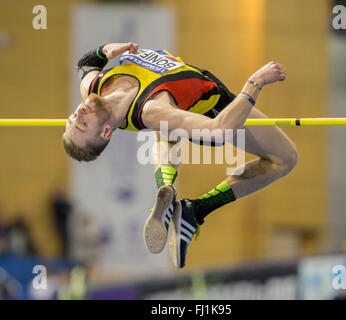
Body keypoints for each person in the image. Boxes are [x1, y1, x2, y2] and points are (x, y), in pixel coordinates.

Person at [62, 42, 298, 268]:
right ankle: (198, 209)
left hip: (171, 111)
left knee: (164, 129)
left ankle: (168, 188)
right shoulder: (153, 111)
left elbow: (85, 63)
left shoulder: (92, 87)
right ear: (105, 132)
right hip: (215, 108)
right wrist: (255, 82)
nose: (79, 112)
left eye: (72, 119)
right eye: (82, 124)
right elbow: (220, 131)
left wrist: (105, 50)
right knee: (285, 159)